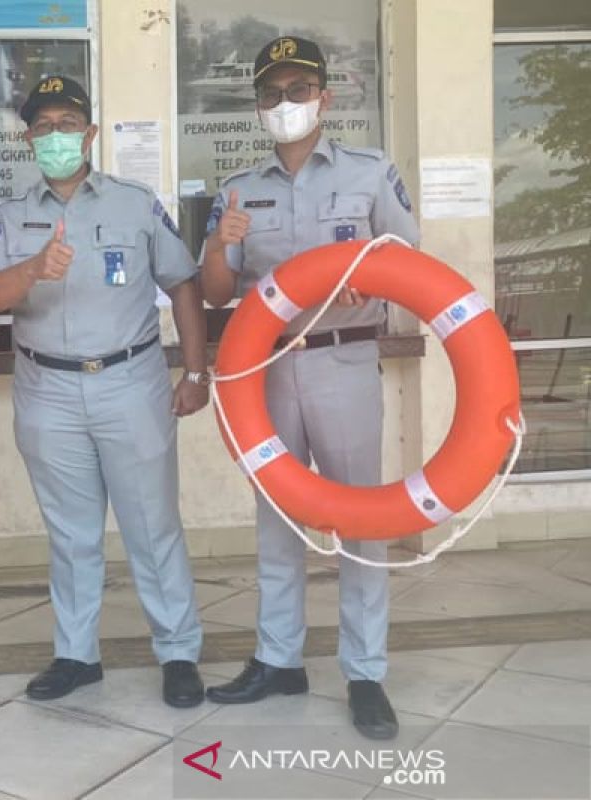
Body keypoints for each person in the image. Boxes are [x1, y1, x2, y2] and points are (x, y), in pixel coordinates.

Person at [198, 36, 420, 739]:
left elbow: (410, 260)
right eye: (272, 93)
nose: (285, 103)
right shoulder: (239, 188)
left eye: (298, 90)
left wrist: (371, 278)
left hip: (344, 362)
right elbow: (216, 291)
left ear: (325, 97)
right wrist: (217, 243)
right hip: (268, 370)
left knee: (360, 519)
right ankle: (277, 658)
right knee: (279, 519)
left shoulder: (369, 172)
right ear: (258, 105)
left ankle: (365, 672)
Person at [0, 76, 211, 708]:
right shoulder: (9, 215)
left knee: (152, 526)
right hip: (47, 389)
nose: (57, 134)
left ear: (91, 132)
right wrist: (32, 269)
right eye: (44, 125)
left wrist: (194, 370)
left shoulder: (135, 204)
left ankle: (179, 651)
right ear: (29, 139)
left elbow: (183, 281)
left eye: (68, 121)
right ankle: (77, 655)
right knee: (72, 534)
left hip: (131, 383)